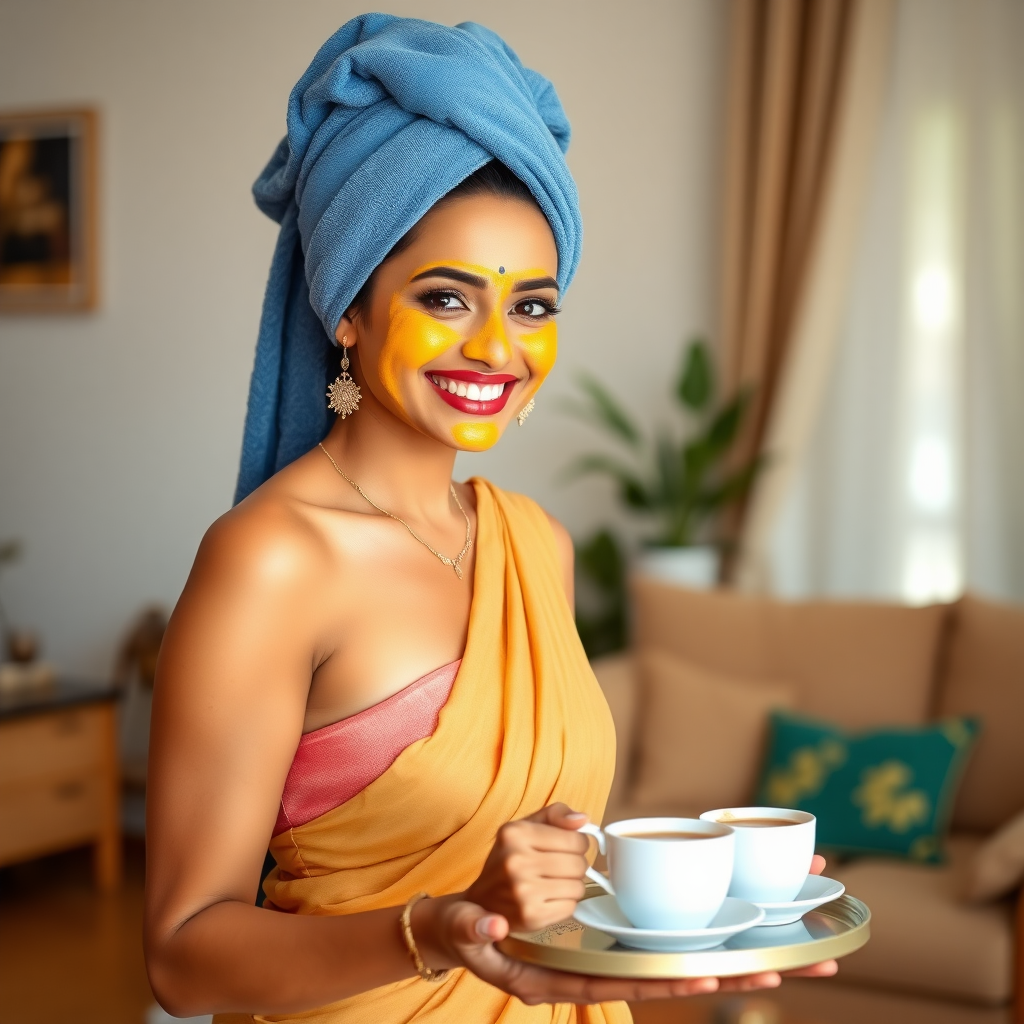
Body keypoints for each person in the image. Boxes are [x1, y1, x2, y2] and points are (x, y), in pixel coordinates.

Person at [143, 15, 836, 1024]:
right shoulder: (272, 560)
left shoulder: (532, 542)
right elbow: (182, 952)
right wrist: (434, 929)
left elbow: (530, 868)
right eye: (446, 298)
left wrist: (703, 906)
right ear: (347, 307)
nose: (495, 350)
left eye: (533, 307)